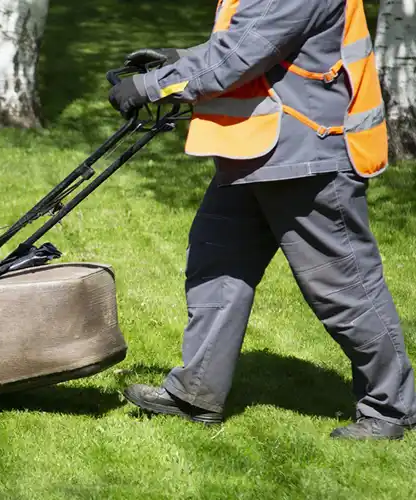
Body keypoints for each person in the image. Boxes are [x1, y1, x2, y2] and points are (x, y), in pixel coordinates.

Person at [107, 0, 415, 440]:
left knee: (345, 289)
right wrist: (180, 59)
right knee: (216, 268)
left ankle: (391, 409)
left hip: (307, 158)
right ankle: (197, 392)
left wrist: (154, 85)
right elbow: (251, 40)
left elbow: (241, 56)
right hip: (252, 150)